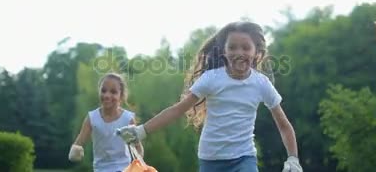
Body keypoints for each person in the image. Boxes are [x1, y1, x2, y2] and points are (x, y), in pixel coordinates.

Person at [117, 21, 303, 172]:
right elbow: (177, 110)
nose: (239, 53)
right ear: (224, 51)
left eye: (246, 48)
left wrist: (293, 158)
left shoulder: (261, 84)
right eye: (233, 47)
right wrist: (141, 131)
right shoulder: (212, 79)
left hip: (244, 157)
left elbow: (284, 125)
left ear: (256, 53)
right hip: (211, 158)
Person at [69, 73, 144, 172]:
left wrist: (137, 166)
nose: (107, 95)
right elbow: (78, 144)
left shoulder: (127, 119)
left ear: (121, 96)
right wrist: (75, 153)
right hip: (100, 169)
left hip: (123, 169)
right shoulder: (92, 118)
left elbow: (138, 149)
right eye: (103, 91)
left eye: (113, 92)